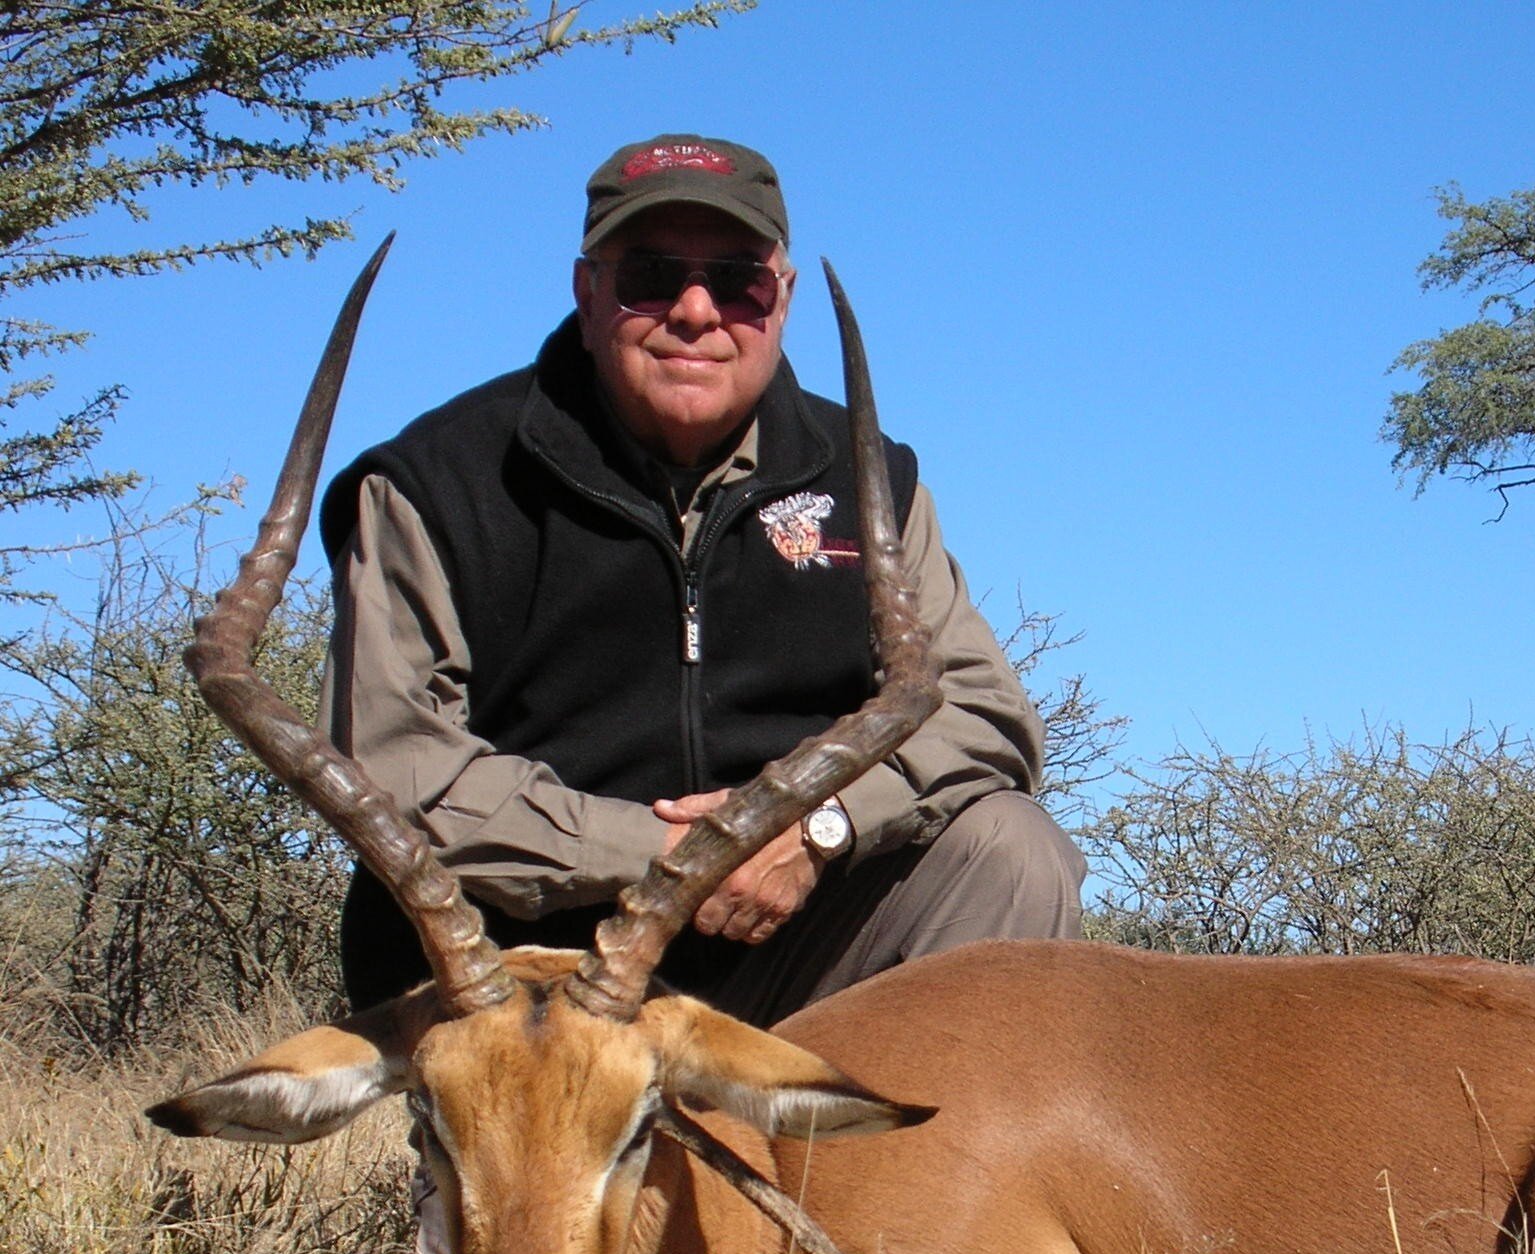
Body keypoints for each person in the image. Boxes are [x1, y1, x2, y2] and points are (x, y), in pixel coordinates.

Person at [319, 134, 1084, 1026]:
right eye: (649, 274)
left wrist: (815, 826)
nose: (694, 310)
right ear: (587, 290)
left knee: (1010, 851)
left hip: (788, 940)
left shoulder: (869, 476)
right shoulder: (435, 481)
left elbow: (982, 715)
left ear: (782, 298)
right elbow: (388, 768)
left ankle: (914, 1162)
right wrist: (673, 853)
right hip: (534, 971)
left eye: (736, 281)